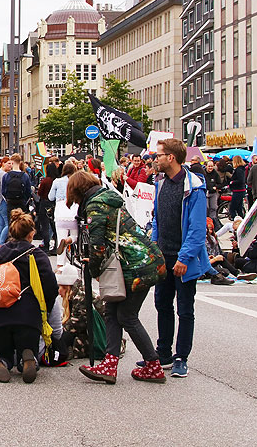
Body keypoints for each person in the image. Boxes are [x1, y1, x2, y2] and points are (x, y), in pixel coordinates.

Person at [66, 170, 168, 384]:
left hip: (138, 265)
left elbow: (98, 245)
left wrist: (93, 270)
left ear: (76, 190)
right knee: (112, 311)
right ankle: (109, 365)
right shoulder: (107, 198)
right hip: (144, 261)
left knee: (126, 316)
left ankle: (153, 365)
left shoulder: (96, 205)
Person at [149, 138, 211, 379]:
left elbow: (197, 229)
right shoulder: (160, 182)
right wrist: (154, 245)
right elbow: (158, 217)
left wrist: (184, 258)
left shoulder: (194, 186)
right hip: (163, 255)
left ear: (171, 158)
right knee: (162, 305)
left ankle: (181, 357)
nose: (156, 160)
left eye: (159, 155)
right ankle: (163, 352)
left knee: (184, 309)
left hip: (183, 257)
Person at [0, 209, 58, 383]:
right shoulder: (37, 255)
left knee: (5, 354)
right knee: (28, 347)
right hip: (27, 317)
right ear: (31, 234)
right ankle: (28, 359)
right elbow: (51, 287)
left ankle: (1, 360)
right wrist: (45, 312)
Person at [50, 161, 79, 286]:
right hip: (72, 210)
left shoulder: (56, 181)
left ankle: (60, 266)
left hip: (60, 211)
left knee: (59, 236)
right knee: (75, 236)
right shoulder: (76, 181)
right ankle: (69, 241)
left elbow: (51, 197)